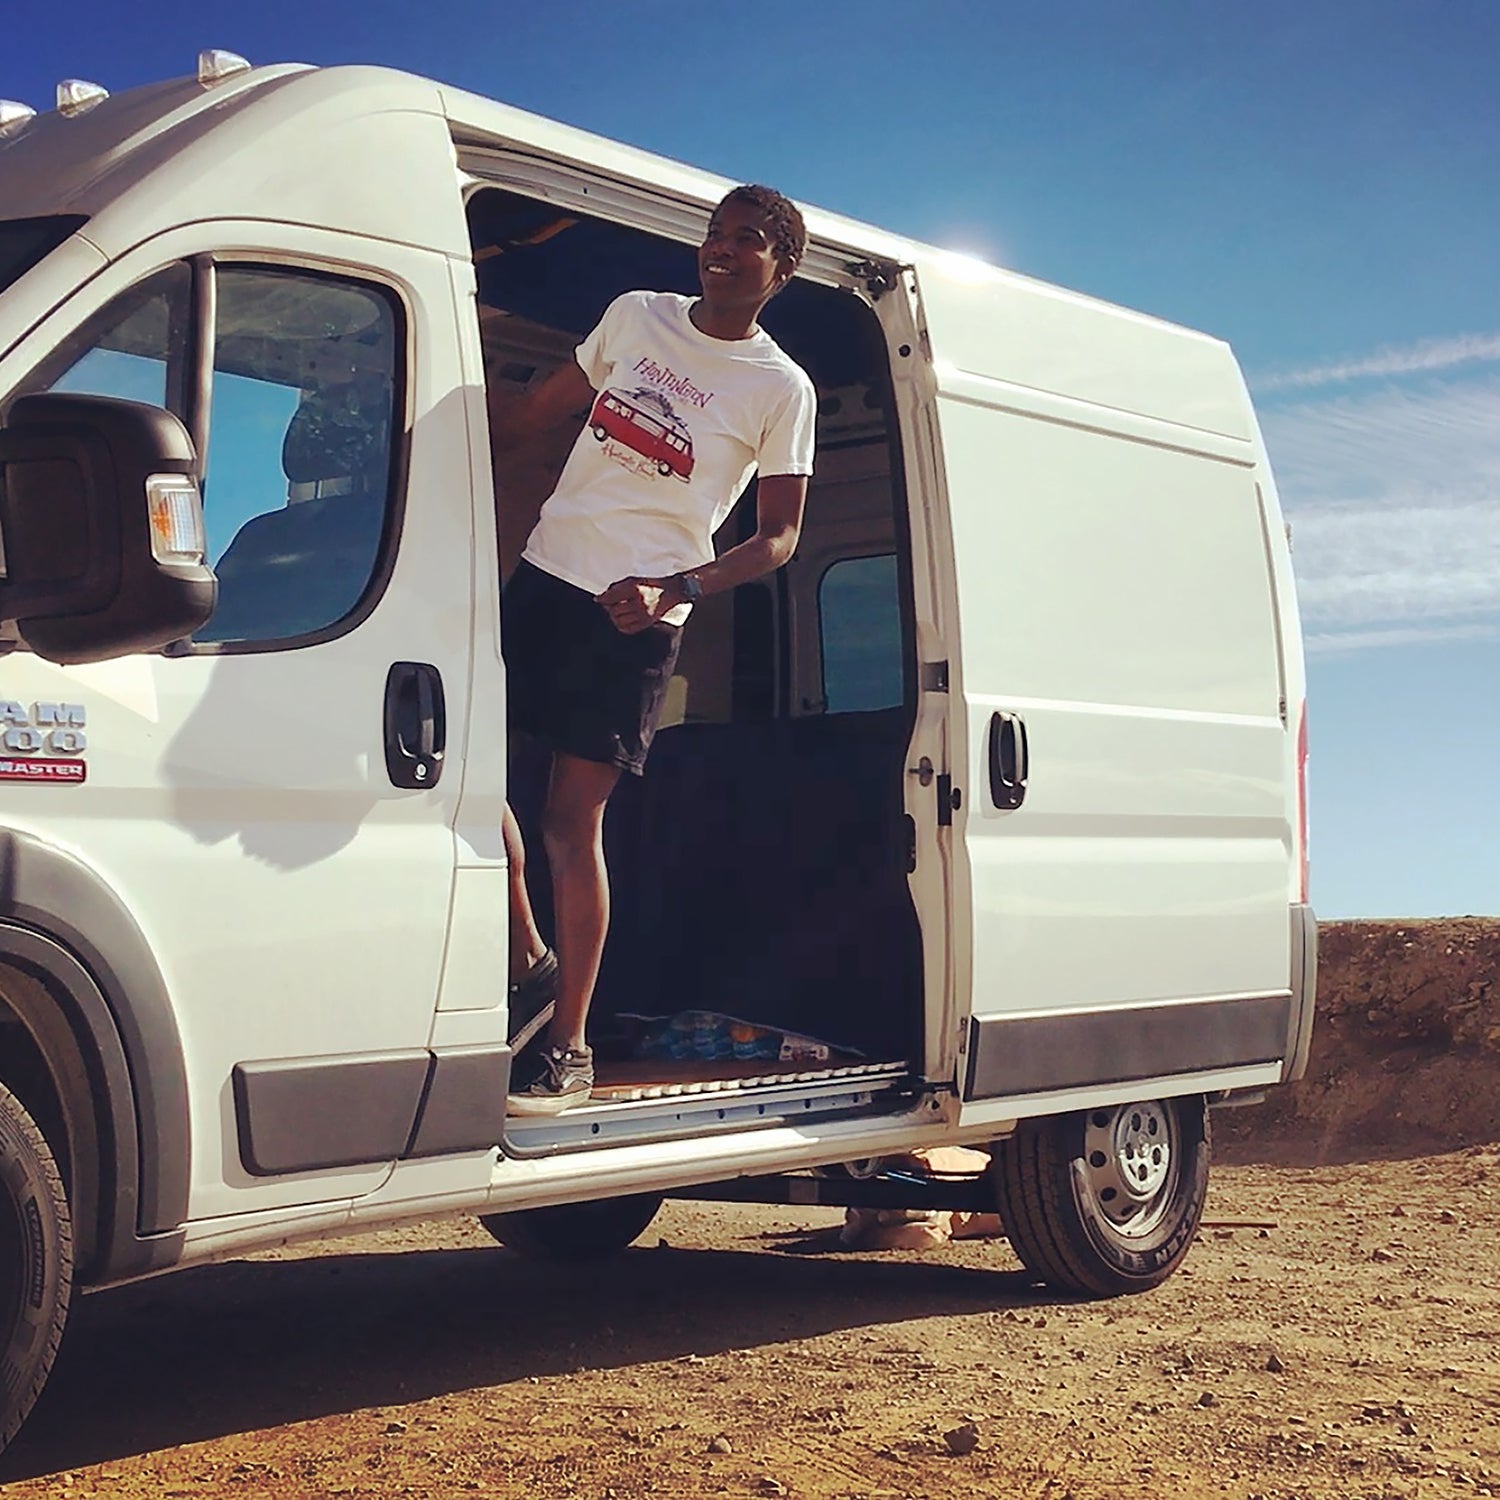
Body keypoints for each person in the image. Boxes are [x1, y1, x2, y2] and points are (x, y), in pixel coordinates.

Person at [492, 184, 817, 1115]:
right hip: (547, 578)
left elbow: (779, 538)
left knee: (567, 825)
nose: (721, 250)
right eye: (715, 235)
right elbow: (538, 413)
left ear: (778, 270)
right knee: (463, 782)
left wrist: (676, 590)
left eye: (747, 241)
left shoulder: (779, 387)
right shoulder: (636, 317)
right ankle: (530, 956)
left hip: (639, 616)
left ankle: (567, 1048)